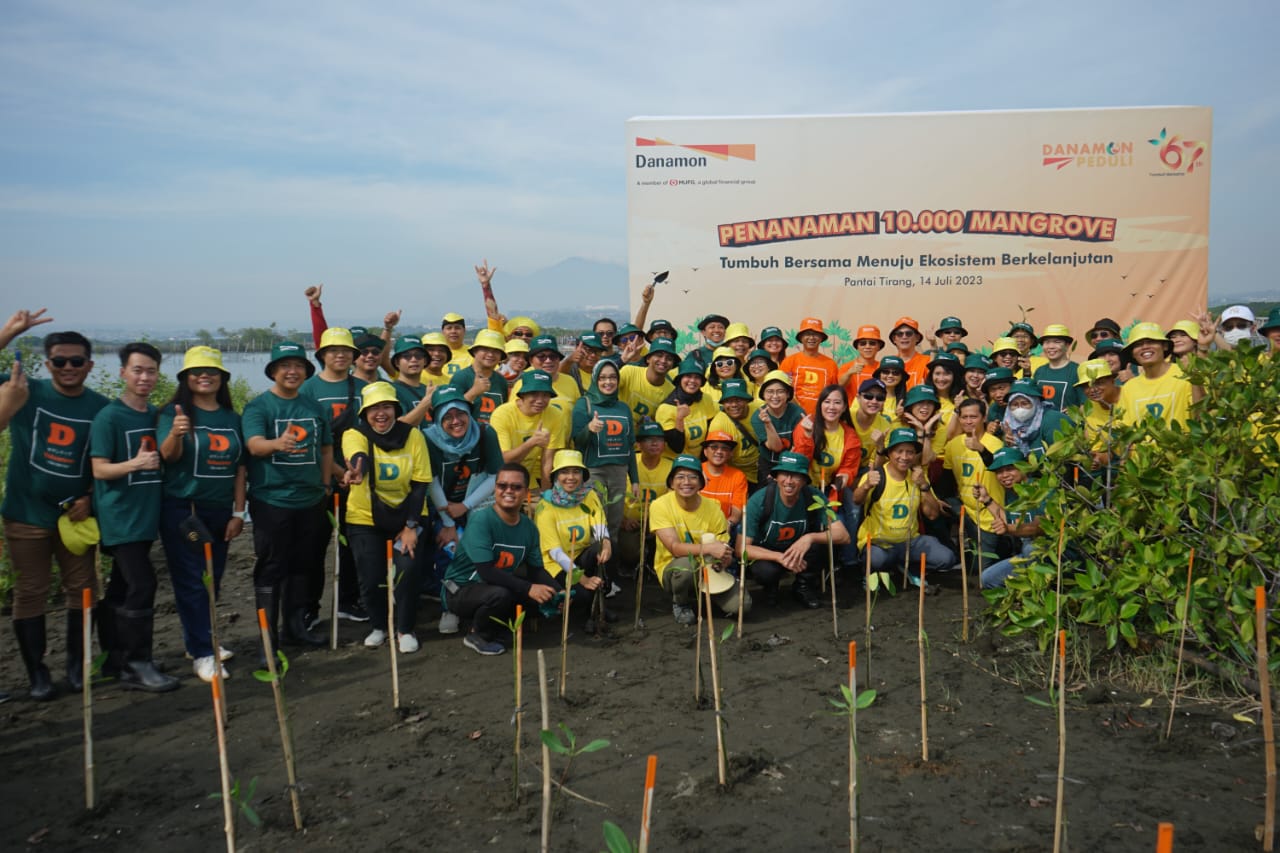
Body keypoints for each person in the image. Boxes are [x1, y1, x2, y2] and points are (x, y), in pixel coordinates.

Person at [0, 310, 106, 700]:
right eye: (59, 361)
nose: (68, 368)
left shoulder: (101, 407)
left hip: (75, 518)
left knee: (82, 589)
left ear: (90, 365)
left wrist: (90, 498)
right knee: (30, 590)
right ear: (48, 364)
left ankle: (78, 669)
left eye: (76, 361)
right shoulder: (26, 391)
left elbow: (106, 459)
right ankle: (37, 675)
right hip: (26, 513)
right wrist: (8, 333)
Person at [91, 342, 179, 692]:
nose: (145, 377)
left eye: (151, 371)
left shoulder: (156, 415)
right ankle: (137, 663)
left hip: (146, 516)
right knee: (143, 584)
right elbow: (98, 469)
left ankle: (114, 659)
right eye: (138, 370)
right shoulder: (109, 417)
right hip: (120, 515)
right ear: (123, 373)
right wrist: (136, 464)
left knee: (121, 588)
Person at [157, 346, 247, 682]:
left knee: (214, 579)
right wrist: (176, 433)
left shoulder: (231, 418)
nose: (204, 376)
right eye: (196, 371)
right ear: (185, 378)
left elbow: (240, 469)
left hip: (220, 509)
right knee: (192, 581)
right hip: (184, 509)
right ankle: (202, 653)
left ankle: (203, 638)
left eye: (211, 371)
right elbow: (167, 457)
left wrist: (239, 512)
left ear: (222, 377)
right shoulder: (173, 413)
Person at [243, 340, 334, 652]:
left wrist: (325, 485)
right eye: (285, 367)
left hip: (310, 500)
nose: (292, 372)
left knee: (302, 565)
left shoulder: (314, 407)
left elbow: (325, 448)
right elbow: (254, 445)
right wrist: (275, 445)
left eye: (298, 367)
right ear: (273, 373)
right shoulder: (259, 407)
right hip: (272, 500)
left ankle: (296, 627)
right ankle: (269, 639)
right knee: (271, 567)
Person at [341, 382, 433, 654]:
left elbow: (420, 485)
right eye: (373, 409)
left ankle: (405, 628)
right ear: (364, 413)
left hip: (409, 515)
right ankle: (379, 626)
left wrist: (410, 527)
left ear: (395, 409)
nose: (380, 414)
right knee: (370, 576)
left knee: (407, 570)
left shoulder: (414, 437)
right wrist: (357, 470)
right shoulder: (354, 434)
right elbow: (359, 457)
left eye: (386, 407)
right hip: (365, 517)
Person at [443, 463, 558, 656]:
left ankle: (500, 625)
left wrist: (558, 591)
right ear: (495, 489)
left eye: (516, 487)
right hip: (462, 589)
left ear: (526, 492)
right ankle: (478, 633)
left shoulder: (529, 527)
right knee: (502, 595)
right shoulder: (482, 520)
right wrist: (529, 588)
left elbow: (536, 569)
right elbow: (485, 571)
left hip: (498, 585)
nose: (508, 491)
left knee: (542, 599)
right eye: (502, 486)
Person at [301, 327, 369, 626]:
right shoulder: (308, 390)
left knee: (352, 544)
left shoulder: (364, 386)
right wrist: (337, 472)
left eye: (346, 351)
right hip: (321, 482)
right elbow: (308, 440)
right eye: (333, 351)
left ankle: (348, 601)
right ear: (322, 355)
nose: (340, 355)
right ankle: (310, 607)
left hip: (358, 479)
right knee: (314, 547)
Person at [424, 385, 503, 630]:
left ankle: (480, 604)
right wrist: (448, 522)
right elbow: (431, 480)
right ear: (437, 418)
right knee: (449, 553)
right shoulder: (427, 438)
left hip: (475, 502)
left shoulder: (485, 432)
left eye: (460, 414)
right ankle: (451, 607)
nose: (456, 421)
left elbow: (494, 476)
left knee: (482, 552)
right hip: (440, 507)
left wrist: (466, 506)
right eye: (447, 416)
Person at [740, 451, 850, 608]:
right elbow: (741, 548)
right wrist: (778, 557)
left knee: (824, 543)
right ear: (776, 477)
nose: (789, 481)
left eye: (796, 476)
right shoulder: (760, 500)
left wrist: (810, 538)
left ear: (805, 480)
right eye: (784, 474)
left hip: (799, 550)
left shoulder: (814, 497)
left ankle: (803, 586)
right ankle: (771, 587)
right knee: (765, 571)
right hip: (769, 553)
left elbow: (844, 535)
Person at [649, 455, 749, 625]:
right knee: (687, 566)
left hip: (710, 568)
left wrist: (724, 559)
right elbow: (674, 548)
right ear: (672, 483)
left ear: (701, 482)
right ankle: (681, 603)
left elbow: (722, 545)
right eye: (680, 477)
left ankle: (709, 594)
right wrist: (708, 549)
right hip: (675, 569)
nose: (686, 482)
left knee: (742, 606)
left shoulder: (713, 507)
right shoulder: (659, 506)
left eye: (693, 476)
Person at [853, 427, 956, 588]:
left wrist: (924, 486)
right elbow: (856, 500)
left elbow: (933, 515)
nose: (904, 457)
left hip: (911, 542)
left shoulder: (918, 477)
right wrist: (866, 485)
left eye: (910, 452)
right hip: (879, 543)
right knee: (876, 559)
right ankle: (876, 572)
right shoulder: (877, 476)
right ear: (889, 453)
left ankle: (908, 567)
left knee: (946, 558)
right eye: (899, 451)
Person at [534, 450, 608, 631]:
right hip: (556, 564)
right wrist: (582, 579)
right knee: (581, 593)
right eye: (564, 472)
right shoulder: (545, 506)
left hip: (580, 554)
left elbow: (599, 526)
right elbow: (556, 553)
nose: (571, 477)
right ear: (556, 476)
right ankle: (583, 612)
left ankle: (600, 608)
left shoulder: (589, 495)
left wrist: (606, 542)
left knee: (603, 550)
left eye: (576, 472)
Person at [571, 360, 638, 550]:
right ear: (595, 379)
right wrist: (589, 429)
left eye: (612, 377)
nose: (608, 382)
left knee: (614, 523)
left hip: (619, 472)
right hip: (594, 471)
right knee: (597, 524)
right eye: (602, 378)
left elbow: (630, 446)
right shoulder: (584, 404)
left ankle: (611, 571)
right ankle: (596, 571)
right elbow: (578, 442)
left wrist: (634, 479)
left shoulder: (623, 408)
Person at [943, 398, 1007, 569]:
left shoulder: (995, 444)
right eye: (964, 417)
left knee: (982, 573)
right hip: (964, 509)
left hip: (988, 514)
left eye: (973, 417)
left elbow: (999, 470)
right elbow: (946, 481)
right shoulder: (953, 445)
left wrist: (981, 450)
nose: (968, 421)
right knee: (937, 506)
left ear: (984, 417)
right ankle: (952, 555)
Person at [977, 448, 1044, 589]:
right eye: (999, 472)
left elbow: (1039, 527)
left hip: (1049, 553)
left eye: (1010, 469)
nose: (1004, 475)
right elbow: (1010, 521)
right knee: (987, 578)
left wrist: (1008, 529)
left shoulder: (1040, 487)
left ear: (1024, 467)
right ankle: (1018, 605)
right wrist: (987, 500)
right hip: (1027, 555)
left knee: (1030, 548)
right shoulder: (1011, 492)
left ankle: (1040, 596)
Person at [490, 369, 568, 489]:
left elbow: (547, 461)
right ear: (522, 395)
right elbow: (504, 461)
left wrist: (545, 493)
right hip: (497, 479)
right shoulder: (502, 414)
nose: (540, 400)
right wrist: (531, 442)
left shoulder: (555, 415)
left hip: (528, 479)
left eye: (545, 395)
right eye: (534, 394)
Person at [618, 422, 671, 572]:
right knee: (630, 554)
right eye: (648, 439)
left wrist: (657, 522)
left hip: (658, 522)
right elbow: (613, 494)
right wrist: (623, 521)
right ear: (638, 444)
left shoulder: (671, 467)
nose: (654, 443)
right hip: (630, 522)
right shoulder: (627, 463)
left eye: (659, 439)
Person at [1118, 323, 1193, 427]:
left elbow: (1202, 413)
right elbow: (1126, 428)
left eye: (1151, 341)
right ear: (1132, 354)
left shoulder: (1186, 374)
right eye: (1138, 344)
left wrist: (1203, 349)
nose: (1145, 347)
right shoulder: (1128, 389)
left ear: (1165, 346)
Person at [656, 354, 719, 460]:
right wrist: (679, 419)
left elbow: (709, 433)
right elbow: (676, 447)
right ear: (680, 379)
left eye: (697, 377)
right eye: (688, 376)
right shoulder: (666, 408)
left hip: (698, 461)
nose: (692, 381)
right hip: (675, 463)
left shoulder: (706, 399)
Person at [751, 370, 806, 480]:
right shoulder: (757, 416)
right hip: (768, 464)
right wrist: (768, 423)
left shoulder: (798, 413)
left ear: (788, 394)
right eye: (770, 392)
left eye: (780, 391)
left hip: (793, 463)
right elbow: (776, 447)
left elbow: (800, 446)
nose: (775, 396)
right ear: (763, 394)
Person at [449, 328, 510, 427]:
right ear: (475, 352)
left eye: (496, 351)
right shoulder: (461, 378)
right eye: (485, 349)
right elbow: (450, 411)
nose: (490, 354)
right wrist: (473, 392)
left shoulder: (501, 381)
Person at [779, 317, 840, 414]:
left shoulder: (831, 364)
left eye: (815, 334)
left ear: (821, 339)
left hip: (822, 418)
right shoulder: (789, 362)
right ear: (801, 338)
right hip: (793, 416)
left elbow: (834, 394)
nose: (811, 338)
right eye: (807, 334)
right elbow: (781, 390)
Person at [708, 377, 760, 487]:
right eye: (728, 401)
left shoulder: (759, 409)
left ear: (746, 400)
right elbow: (715, 457)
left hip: (762, 469)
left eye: (738, 400)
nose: (733, 405)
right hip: (735, 475)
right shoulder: (719, 424)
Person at [1001, 379, 1069, 460]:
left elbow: (1064, 458)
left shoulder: (1052, 420)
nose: (1020, 409)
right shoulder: (1010, 426)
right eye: (1015, 404)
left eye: (1024, 403)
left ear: (1036, 402)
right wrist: (1012, 447)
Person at [618, 338, 676, 424]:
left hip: (643, 436)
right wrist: (621, 361)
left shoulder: (672, 392)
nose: (663, 361)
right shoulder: (629, 372)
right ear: (648, 358)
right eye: (659, 355)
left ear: (672, 365)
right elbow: (601, 384)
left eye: (669, 358)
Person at [521, 335, 581, 412]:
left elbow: (578, 411)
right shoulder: (522, 383)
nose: (548, 361)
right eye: (541, 356)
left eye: (553, 356)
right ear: (531, 361)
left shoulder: (570, 381)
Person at [1032, 324, 1085, 412]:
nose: (1051, 346)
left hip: (1067, 425)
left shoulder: (1077, 371)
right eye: (1047, 342)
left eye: (1057, 342)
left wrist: (1075, 413)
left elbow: (1085, 405)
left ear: (1067, 345)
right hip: (1042, 425)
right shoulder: (1039, 371)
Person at [700, 431, 748, 525]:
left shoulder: (738, 476)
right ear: (705, 452)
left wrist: (728, 524)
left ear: (730, 453)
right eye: (714, 447)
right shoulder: (696, 471)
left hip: (724, 526)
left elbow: (737, 512)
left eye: (725, 448)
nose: (719, 451)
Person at [850, 378, 892, 470]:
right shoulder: (846, 418)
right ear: (858, 398)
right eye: (868, 396)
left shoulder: (886, 427)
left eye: (880, 398)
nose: (874, 401)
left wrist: (880, 447)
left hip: (866, 471)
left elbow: (878, 468)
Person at [887, 317, 930, 387]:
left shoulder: (927, 361)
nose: (904, 337)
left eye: (908, 333)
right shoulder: (888, 363)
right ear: (894, 339)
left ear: (917, 338)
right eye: (900, 334)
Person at [440, 312, 472, 377]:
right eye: (449, 328)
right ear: (443, 331)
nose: (453, 331)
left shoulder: (473, 353)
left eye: (457, 328)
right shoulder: (435, 354)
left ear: (464, 330)